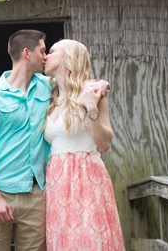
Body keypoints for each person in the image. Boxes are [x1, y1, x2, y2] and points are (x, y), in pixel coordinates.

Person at [0, 29, 50, 251]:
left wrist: (101, 85)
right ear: (27, 53)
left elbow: (77, 84)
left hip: (36, 197)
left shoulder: (49, 87)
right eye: (43, 51)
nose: (46, 57)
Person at [42, 39, 124, 251]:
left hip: (86, 176)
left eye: (51, 52)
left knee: (90, 240)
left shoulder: (91, 92)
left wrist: (91, 109)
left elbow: (104, 144)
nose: (45, 56)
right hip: (57, 182)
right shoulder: (50, 96)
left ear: (68, 57)